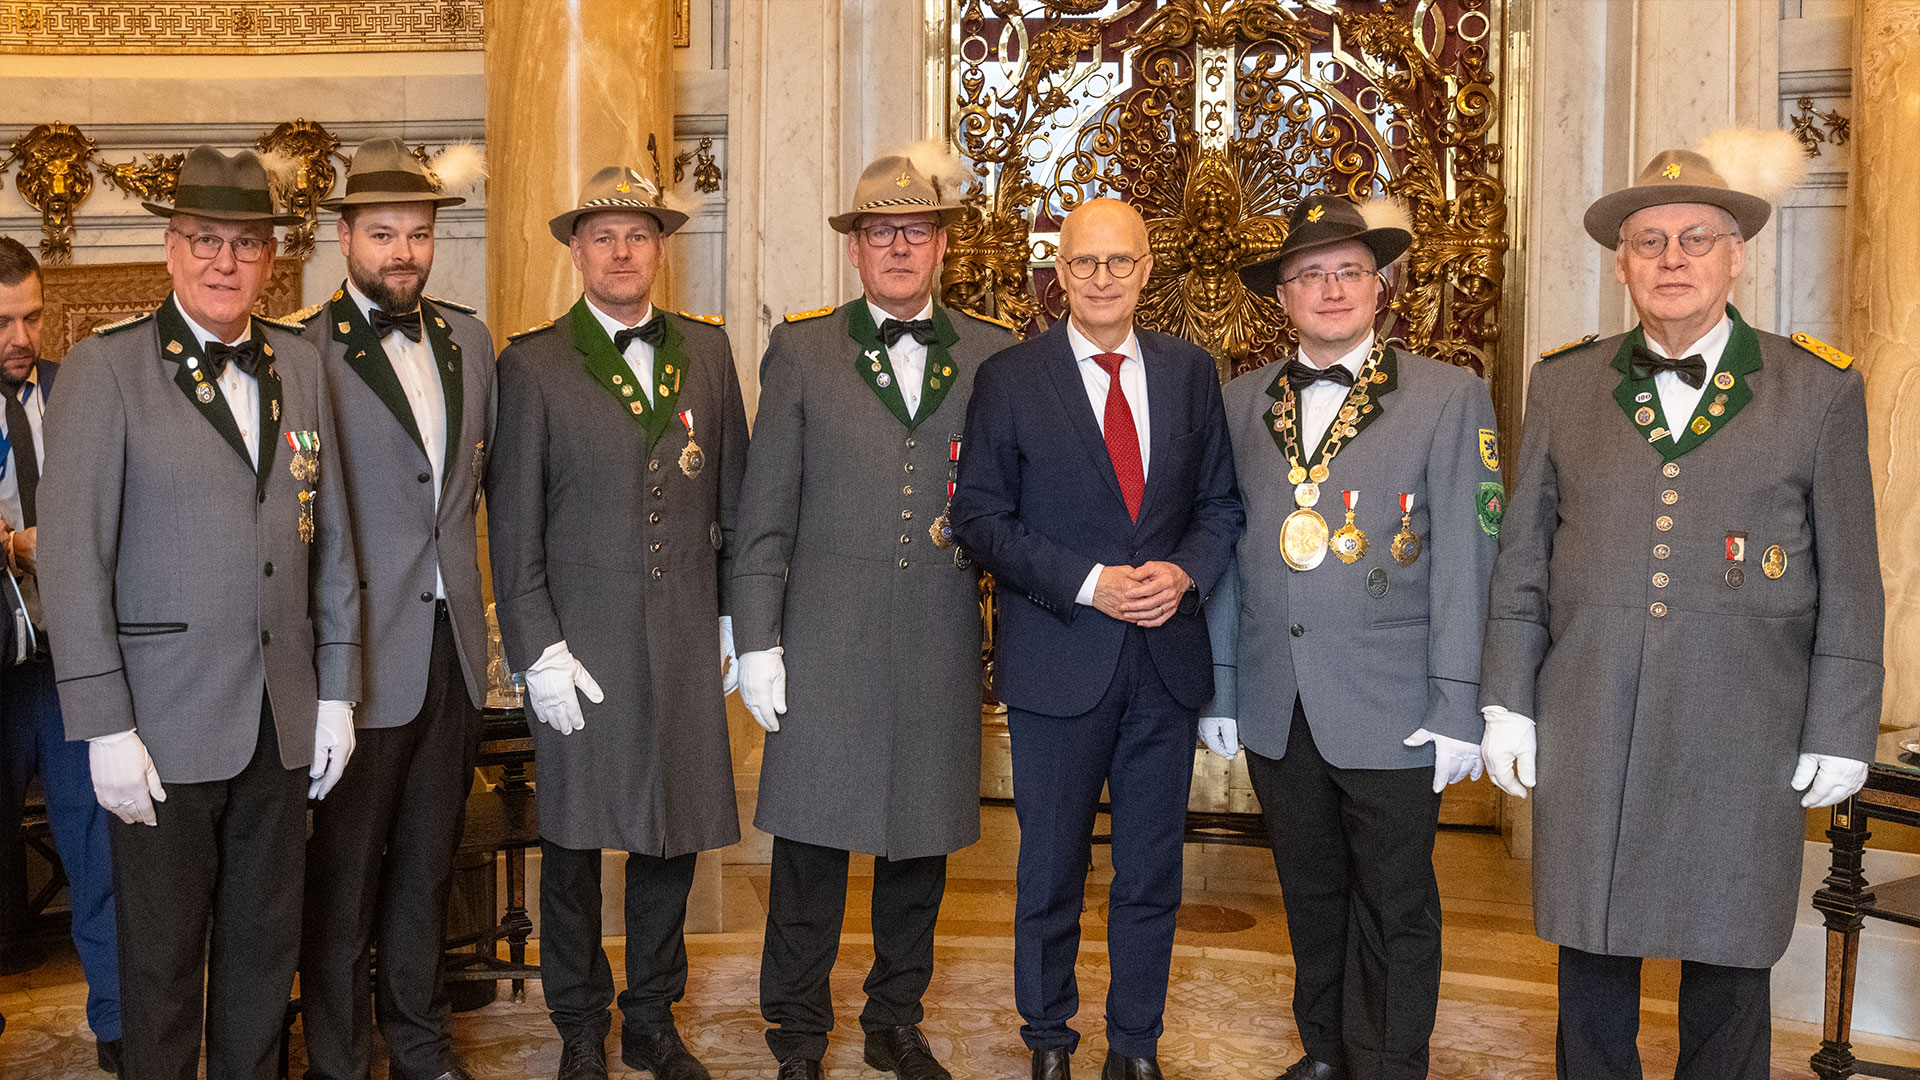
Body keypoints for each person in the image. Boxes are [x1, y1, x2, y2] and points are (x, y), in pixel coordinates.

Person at [1478, 135, 1883, 1079]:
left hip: (1747, 727)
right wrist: (1508, 697)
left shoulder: (1817, 389)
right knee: (1594, 952)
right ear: (1621, 263)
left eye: (1694, 239)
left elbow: (1853, 577)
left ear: (1735, 255)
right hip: (1591, 715)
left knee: (1732, 960)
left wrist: (1842, 726)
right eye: (1649, 241)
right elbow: (1524, 554)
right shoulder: (1563, 382)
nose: (1671, 259)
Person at [38, 144, 362, 1080]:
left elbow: (329, 538)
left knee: (266, 960)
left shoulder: (302, 367)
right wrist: (104, 725)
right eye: (206, 241)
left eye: (246, 243)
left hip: (279, 720)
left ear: (273, 258)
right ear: (172, 250)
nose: (226, 262)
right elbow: (71, 556)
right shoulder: (108, 372)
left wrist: (335, 690)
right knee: (165, 970)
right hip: (161, 725)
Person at [1198, 196, 1499, 1080]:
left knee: (1397, 900)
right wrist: (1221, 685)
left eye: (1349, 272)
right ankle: (1325, 1052)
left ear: (1382, 288)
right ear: (1281, 298)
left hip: (1398, 700)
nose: (1331, 290)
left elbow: (1468, 561)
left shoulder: (1449, 396)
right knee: (1310, 891)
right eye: (1309, 275)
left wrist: (1458, 703)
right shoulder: (1237, 401)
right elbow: (1224, 551)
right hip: (1278, 698)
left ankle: (1390, 1061)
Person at [733, 145, 1017, 1080]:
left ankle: (895, 1017)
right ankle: (798, 1034)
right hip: (823, 638)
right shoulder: (805, 350)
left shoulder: (992, 353)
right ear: (854, 249)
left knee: (920, 842)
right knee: (809, 848)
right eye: (879, 232)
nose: (899, 246)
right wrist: (757, 640)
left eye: (917, 230)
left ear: (943, 246)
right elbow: (764, 511)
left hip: (937, 633)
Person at [949, 197, 1242, 1080]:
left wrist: (1184, 571)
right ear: (1058, 275)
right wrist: (1091, 583)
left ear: (1148, 270)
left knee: (1152, 873)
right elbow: (979, 518)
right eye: (1085, 263)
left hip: (1163, 664)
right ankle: (1048, 1041)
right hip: (1057, 662)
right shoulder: (1010, 378)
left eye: (1120, 262)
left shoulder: (1195, 373)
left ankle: (1135, 1046)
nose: (1103, 278)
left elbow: (1221, 508)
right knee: (1049, 873)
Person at [488, 165, 748, 1080]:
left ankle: (650, 1016)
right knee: (569, 842)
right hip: (579, 648)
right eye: (603, 236)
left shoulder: (707, 354)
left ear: (662, 249)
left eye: (639, 235)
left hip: (680, 638)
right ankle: (577, 1025)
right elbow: (511, 525)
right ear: (575, 251)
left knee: (668, 835)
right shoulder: (531, 364)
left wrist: (733, 619)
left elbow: (736, 495)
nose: (622, 251)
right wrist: (536, 651)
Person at [295, 137, 494, 1080]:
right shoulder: (302, 350)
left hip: (451, 652)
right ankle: (339, 1058)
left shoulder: (471, 339)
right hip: (358, 659)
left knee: (426, 868)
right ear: (344, 239)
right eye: (383, 235)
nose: (403, 254)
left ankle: (420, 1047)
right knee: (345, 878)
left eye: (417, 235)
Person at [0, 235, 123, 1075]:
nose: (20, 335)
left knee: (100, 842)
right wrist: (12, 543)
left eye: (32, 316)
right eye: (2, 320)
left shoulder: (72, 392)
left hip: (68, 663)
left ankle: (121, 1031)